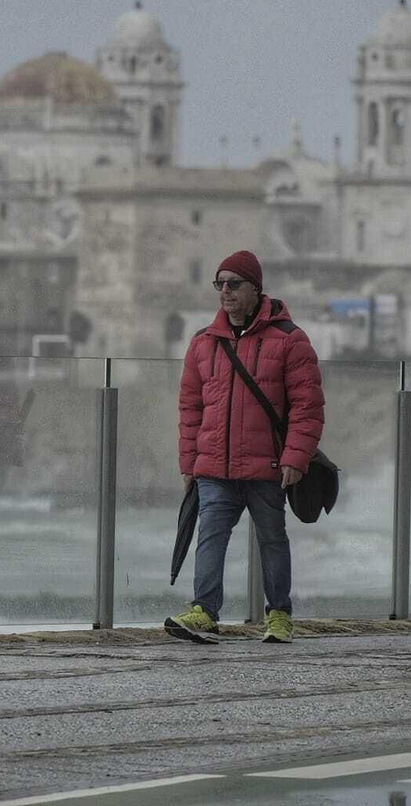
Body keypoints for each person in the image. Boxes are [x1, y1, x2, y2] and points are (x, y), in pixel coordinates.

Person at [166, 250, 325, 644]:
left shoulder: (290, 340)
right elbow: (190, 408)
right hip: (214, 466)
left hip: (267, 465)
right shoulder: (203, 342)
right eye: (220, 284)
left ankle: (279, 615)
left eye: (234, 284)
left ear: (255, 288)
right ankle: (204, 610)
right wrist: (190, 462)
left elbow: (308, 406)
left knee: (272, 539)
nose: (225, 292)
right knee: (211, 536)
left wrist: (295, 457)